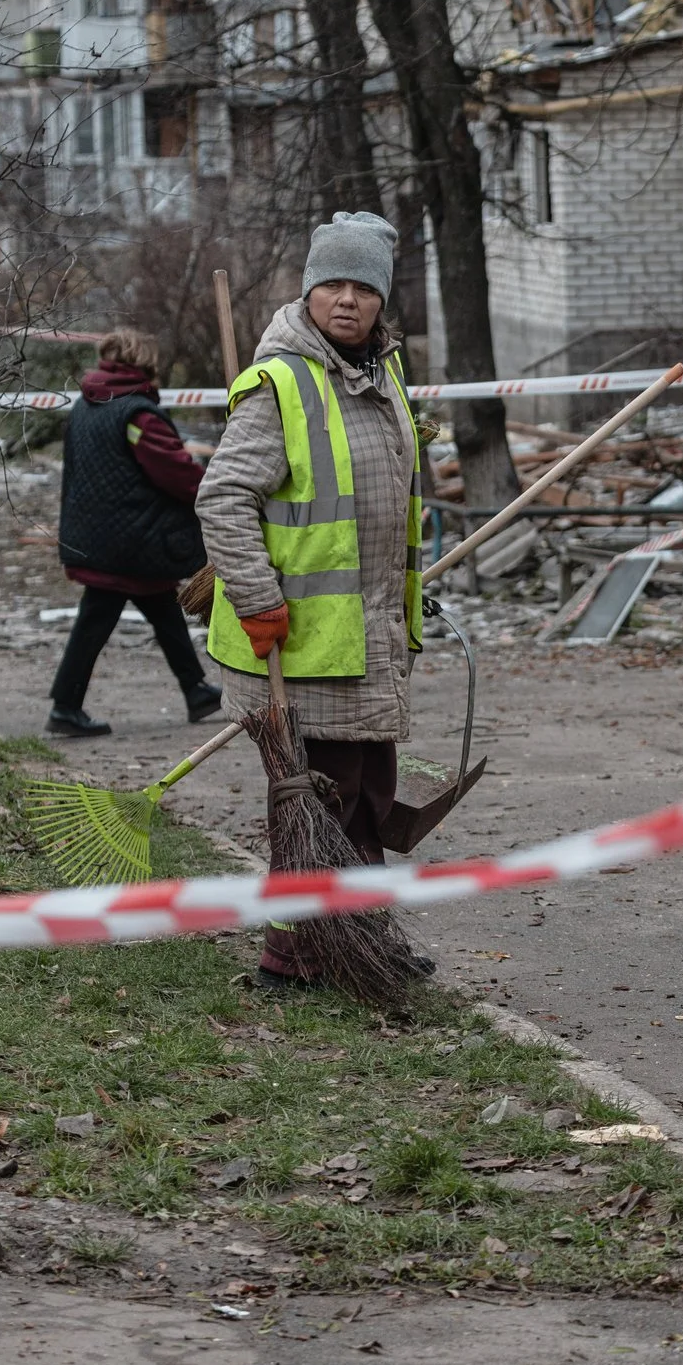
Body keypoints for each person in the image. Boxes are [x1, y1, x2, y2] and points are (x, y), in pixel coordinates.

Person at [198, 212, 434, 988]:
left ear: (381, 299)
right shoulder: (281, 383)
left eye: (362, 287)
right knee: (313, 805)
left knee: (367, 798)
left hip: (368, 636)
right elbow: (223, 498)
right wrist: (259, 599)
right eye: (331, 284)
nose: (346, 300)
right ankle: (292, 959)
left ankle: (362, 945)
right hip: (297, 643)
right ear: (308, 291)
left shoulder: (383, 373)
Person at [49, 328, 224, 738]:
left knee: (162, 607)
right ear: (144, 361)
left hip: (100, 534)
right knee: (97, 620)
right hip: (129, 541)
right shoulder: (137, 415)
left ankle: (196, 690)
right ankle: (65, 706)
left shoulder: (87, 406)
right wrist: (214, 488)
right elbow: (176, 472)